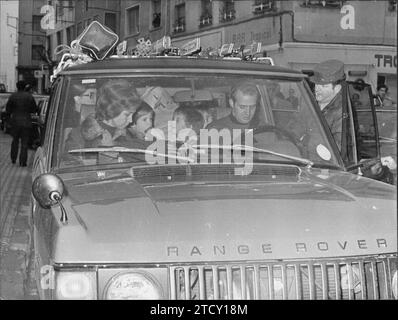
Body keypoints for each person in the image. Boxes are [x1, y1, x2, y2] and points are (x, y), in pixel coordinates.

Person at [6, 80, 38, 166]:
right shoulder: (29, 97)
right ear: (25, 87)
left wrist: (8, 121)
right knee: (24, 142)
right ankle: (23, 161)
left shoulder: (12, 96)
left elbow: (8, 110)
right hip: (26, 122)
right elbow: (34, 109)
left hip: (15, 122)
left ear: (17, 87)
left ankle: (13, 158)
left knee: (15, 140)